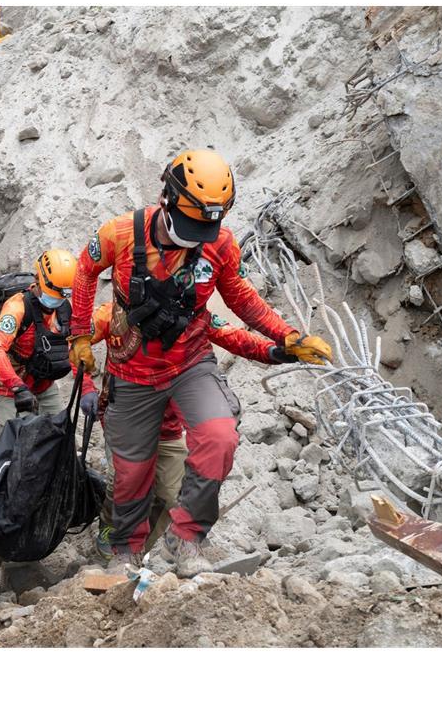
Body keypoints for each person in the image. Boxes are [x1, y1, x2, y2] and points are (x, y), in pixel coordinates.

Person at [68, 148, 334, 575]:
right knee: (133, 474)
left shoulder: (220, 244)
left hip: (191, 362)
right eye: (192, 224)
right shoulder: (119, 233)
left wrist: (286, 335)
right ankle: (123, 550)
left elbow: (242, 299)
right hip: (132, 372)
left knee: (220, 436)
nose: (197, 235)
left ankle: (186, 535)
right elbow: (84, 271)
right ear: (167, 199)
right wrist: (80, 333)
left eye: (207, 226)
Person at [85, 302, 302, 561]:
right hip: (126, 418)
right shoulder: (112, 314)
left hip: (168, 430)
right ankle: (110, 532)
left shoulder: (190, 314)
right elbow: (77, 343)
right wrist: (87, 385)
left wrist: (275, 351)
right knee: (122, 482)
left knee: (174, 496)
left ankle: (144, 547)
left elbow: (232, 335)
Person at [0, 248, 93, 433]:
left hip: (44, 385)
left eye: (62, 296)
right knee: (14, 445)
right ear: (38, 281)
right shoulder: (16, 308)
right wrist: (17, 387)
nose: (57, 300)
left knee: (59, 437)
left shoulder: (63, 309)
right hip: (11, 390)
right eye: (54, 294)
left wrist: (87, 388)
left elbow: (73, 347)